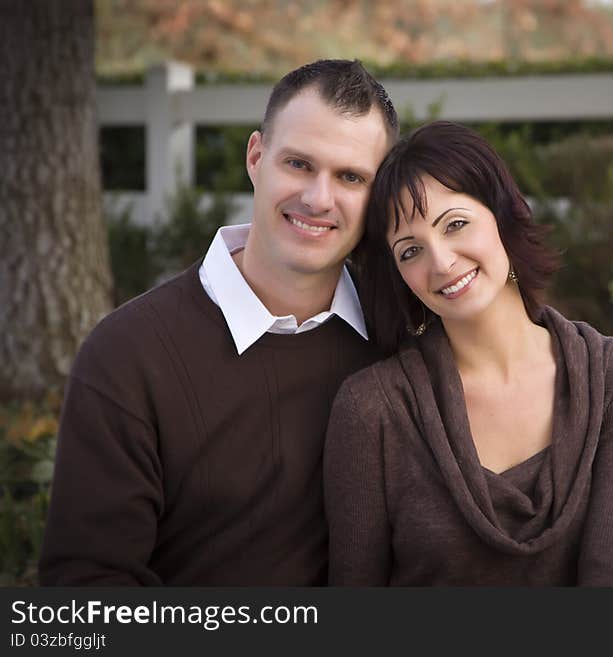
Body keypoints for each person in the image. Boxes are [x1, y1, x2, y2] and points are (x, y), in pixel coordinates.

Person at [39, 60, 399, 585]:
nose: (319, 198)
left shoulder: (400, 331)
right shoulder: (128, 355)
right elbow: (88, 591)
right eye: (298, 164)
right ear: (256, 157)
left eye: (350, 176)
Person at [324, 121, 613, 586]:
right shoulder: (372, 409)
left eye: (455, 224)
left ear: (502, 215)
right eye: (410, 250)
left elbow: (610, 579)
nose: (440, 262)